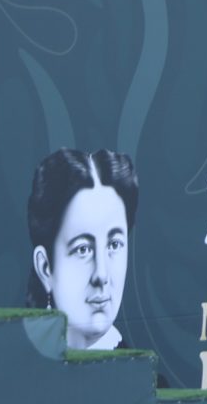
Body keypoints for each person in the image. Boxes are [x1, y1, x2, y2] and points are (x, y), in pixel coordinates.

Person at [26, 148, 140, 352]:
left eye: (114, 245)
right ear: (45, 267)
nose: (101, 275)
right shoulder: (10, 376)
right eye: (83, 249)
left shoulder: (150, 381)